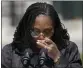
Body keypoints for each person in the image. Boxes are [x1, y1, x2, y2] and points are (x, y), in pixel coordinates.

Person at [2, 2, 82, 68]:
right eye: (35, 31)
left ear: (55, 30)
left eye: (47, 31)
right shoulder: (10, 52)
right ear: (26, 29)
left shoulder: (69, 49)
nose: (41, 36)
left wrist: (57, 57)